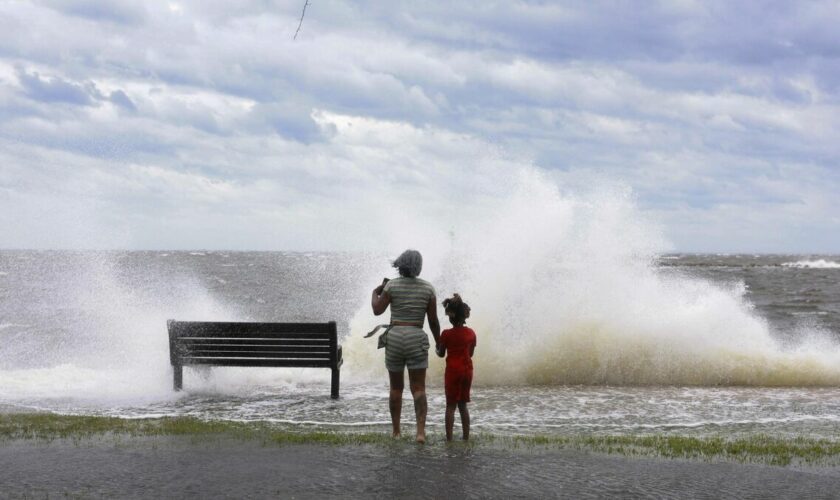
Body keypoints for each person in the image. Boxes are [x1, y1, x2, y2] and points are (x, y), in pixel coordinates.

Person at [371, 249, 440, 444]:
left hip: (394, 337)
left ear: (400, 265)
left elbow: (377, 310)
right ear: (419, 266)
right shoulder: (428, 288)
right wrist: (439, 343)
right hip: (416, 337)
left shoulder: (391, 286)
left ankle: (396, 432)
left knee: (396, 388)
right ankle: (420, 433)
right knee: (418, 388)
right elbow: (433, 321)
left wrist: (375, 292)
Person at [436, 293, 476, 441]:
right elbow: (470, 353)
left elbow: (441, 354)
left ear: (450, 317)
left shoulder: (446, 334)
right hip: (467, 370)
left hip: (453, 371)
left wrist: (437, 348)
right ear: (464, 316)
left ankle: (449, 438)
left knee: (450, 406)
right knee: (463, 406)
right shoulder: (471, 333)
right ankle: (466, 437)